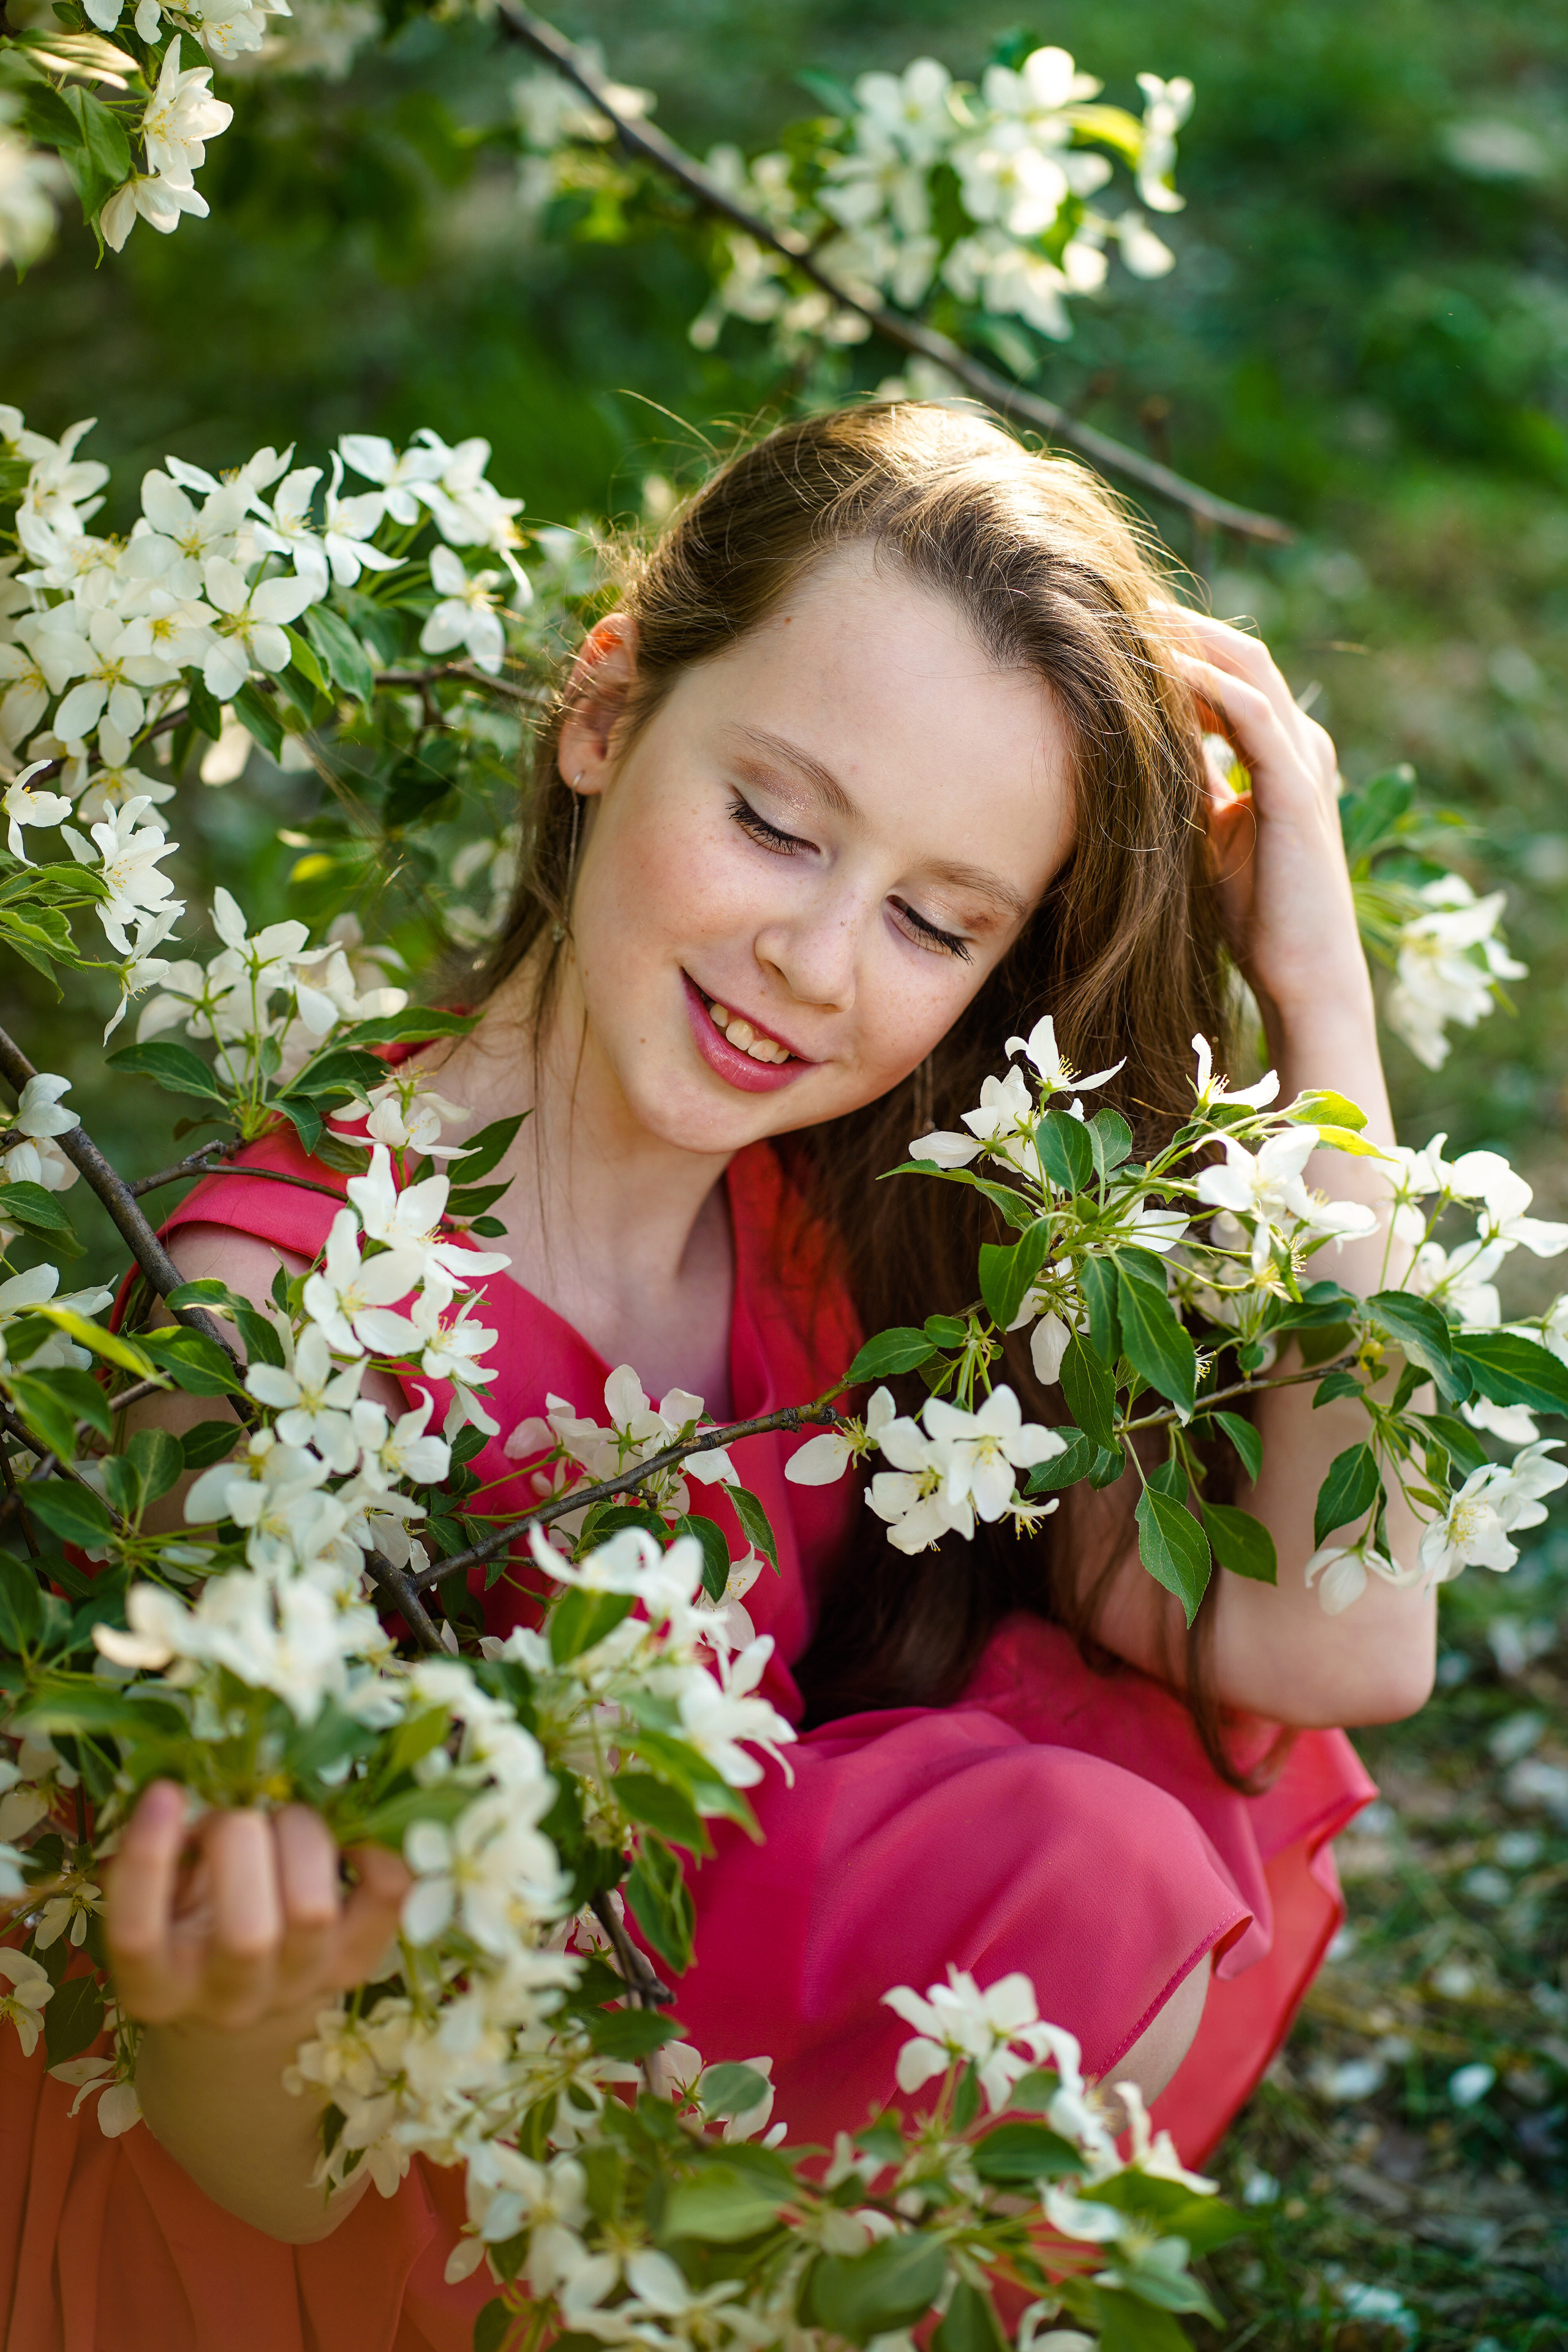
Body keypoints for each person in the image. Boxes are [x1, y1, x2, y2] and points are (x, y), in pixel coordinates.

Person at [0, 404, 1433, 2350]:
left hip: (622, 2096)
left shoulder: (849, 1229)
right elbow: (269, 2172)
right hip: (290, 2231)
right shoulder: (277, 1331)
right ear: (604, 716)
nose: (819, 964)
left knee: (1127, 1795)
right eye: (774, 822)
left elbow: (1337, 1643)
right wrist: (232, 2007)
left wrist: (1322, 1004)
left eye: (935, 920)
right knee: (1068, 1856)